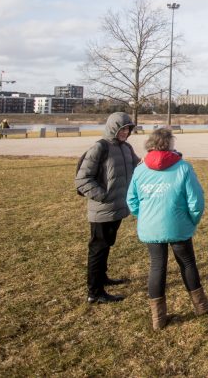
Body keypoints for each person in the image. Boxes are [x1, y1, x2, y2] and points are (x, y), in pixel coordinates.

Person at [126, 128, 208, 330]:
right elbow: (196, 200)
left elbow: (131, 200)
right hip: (178, 225)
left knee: (157, 266)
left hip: (151, 226)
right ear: (169, 144)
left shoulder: (140, 169)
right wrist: (192, 220)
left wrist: (143, 217)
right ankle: (200, 304)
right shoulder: (183, 168)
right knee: (187, 263)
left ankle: (158, 319)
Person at [75, 112, 140, 304]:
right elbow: (82, 180)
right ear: (113, 128)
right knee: (98, 248)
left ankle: (102, 277)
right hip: (103, 209)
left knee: (106, 245)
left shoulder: (126, 148)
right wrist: (104, 196)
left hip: (118, 208)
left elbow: (139, 166)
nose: (125, 132)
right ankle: (94, 292)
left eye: (128, 129)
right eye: (122, 128)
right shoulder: (100, 148)